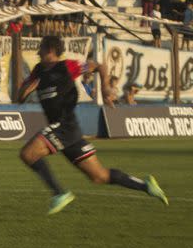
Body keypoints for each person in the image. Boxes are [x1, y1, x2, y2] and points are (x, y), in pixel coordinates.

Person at [17, 36, 168, 215]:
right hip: (68, 132)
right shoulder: (38, 71)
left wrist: (104, 88)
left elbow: (99, 66)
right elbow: (20, 98)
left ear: (50, 49)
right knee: (99, 176)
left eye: (40, 48)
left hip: (63, 126)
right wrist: (27, 88)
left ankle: (59, 193)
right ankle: (145, 186)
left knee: (28, 154)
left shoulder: (68, 67)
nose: (37, 52)